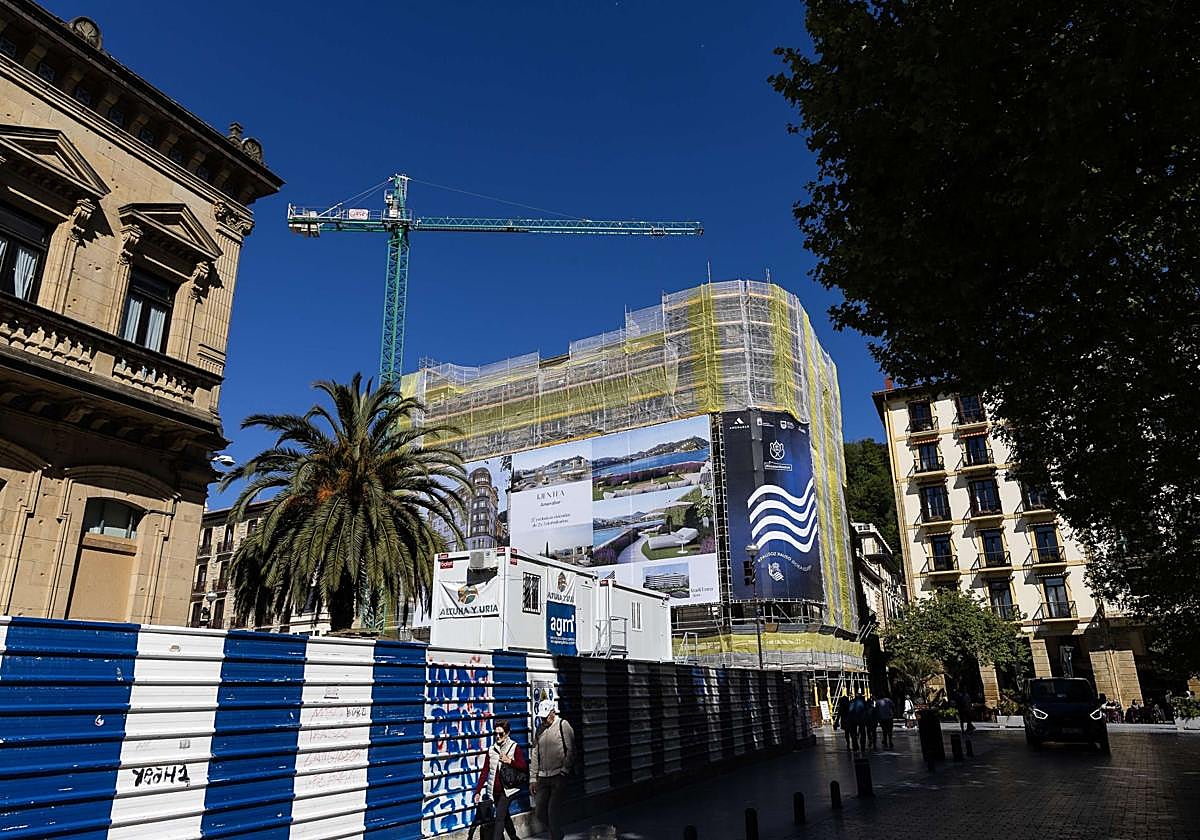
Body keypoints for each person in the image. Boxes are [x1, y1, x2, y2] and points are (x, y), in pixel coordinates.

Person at [472, 719, 526, 840]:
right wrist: (478, 791)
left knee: (499, 818)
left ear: (507, 733)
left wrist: (510, 761)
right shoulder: (491, 749)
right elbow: (485, 771)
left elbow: (523, 766)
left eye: (500, 734)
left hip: (508, 790)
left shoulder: (514, 747)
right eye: (495, 734)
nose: (497, 736)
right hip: (494, 791)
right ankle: (514, 837)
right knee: (505, 816)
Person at [530, 699, 575, 840]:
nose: (544, 720)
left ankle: (555, 837)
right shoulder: (540, 729)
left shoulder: (563, 725)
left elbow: (571, 750)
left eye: (546, 716)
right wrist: (532, 778)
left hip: (558, 775)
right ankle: (556, 833)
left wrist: (564, 770)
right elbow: (535, 754)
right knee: (539, 812)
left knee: (552, 811)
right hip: (543, 777)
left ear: (553, 712)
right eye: (542, 717)